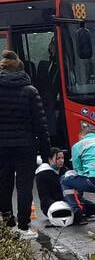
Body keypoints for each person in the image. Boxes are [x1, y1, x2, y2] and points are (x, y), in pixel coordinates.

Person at [0, 50, 50, 238]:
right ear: (20, 68)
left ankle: (7, 220)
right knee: (24, 186)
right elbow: (40, 125)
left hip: (1, 146)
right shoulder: (30, 91)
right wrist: (46, 153)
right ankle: (23, 226)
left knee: (3, 184)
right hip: (25, 146)